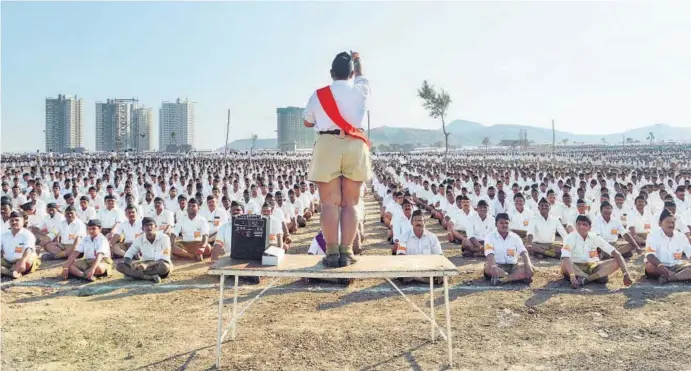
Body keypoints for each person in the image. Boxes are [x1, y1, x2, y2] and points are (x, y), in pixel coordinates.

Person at [304, 51, 371, 268]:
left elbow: (307, 122)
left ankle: (332, 253)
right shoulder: (361, 88)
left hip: (327, 145)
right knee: (351, 203)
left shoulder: (318, 95)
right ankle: (347, 252)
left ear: (331, 73)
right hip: (355, 143)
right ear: (352, 73)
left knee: (329, 203)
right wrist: (358, 59)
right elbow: (362, 75)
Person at [561, 215, 633, 289]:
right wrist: (572, 277)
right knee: (564, 263)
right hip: (575, 267)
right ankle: (594, 277)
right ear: (576, 226)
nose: (581, 226)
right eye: (579, 224)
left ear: (590, 227)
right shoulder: (569, 238)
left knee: (616, 261)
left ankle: (587, 280)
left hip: (592, 266)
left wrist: (626, 274)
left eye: (584, 224)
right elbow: (566, 257)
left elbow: (616, 253)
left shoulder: (594, 237)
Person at [116, 217, 172, 283]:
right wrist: (130, 264)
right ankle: (149, 277)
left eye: (151, 225)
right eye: (146, 225)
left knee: (164, 267)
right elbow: (129, 254)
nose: (149, 227)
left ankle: (136, 275)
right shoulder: (139, 239)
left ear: (156, 227)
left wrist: (147, 265)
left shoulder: (164, 238)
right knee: (120, 265)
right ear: (142, 229)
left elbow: (165, 257)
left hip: (158, 264)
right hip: (145, 265)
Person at [483, 213, 534, 286]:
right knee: (488, 268)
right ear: (496, 224)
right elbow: (489, 253)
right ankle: (516, 277)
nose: (504, 225)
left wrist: (528, 264)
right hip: (497, 265)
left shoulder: (515, 237)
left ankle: (504, 280)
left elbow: (523, 251)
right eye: (501, 223)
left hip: (513, 266)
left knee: (530, 268)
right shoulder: (490, 237)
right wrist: (494, 266)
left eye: (506, 223)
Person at [643, 209, 691, 284]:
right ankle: (678, 276)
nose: (671, 225)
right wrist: (662, 267)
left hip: (676, 266)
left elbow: (689, 251)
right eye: (667, 222)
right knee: (649, 266)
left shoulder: (681, 236)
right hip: (658, 266)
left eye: (673, 222)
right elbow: (650, 255)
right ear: (660, 223)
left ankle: (670, 278)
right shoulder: (653, 235)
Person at [396, 210, 443, 284]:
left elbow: (439, 256)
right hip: (410, 267)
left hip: (427, 268)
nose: (418, 223)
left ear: (425, 222)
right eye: (416, 220)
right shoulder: (404, 236)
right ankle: (426, 279)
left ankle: (416, 278)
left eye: (421, 220)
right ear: (411, 222)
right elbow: (401, 256)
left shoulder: (432, 237)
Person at [1, 211, 40, 279]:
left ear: (23, 222)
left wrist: (22, 261)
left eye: (17, 220)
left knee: (28, 261)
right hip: (7, 261)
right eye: (12, 220)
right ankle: (10, 273)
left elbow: (28, 249)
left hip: (22, 260)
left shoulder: (28, 234)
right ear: (9, 222)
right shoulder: (4, 235)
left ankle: (9, 271)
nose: (14, 222)